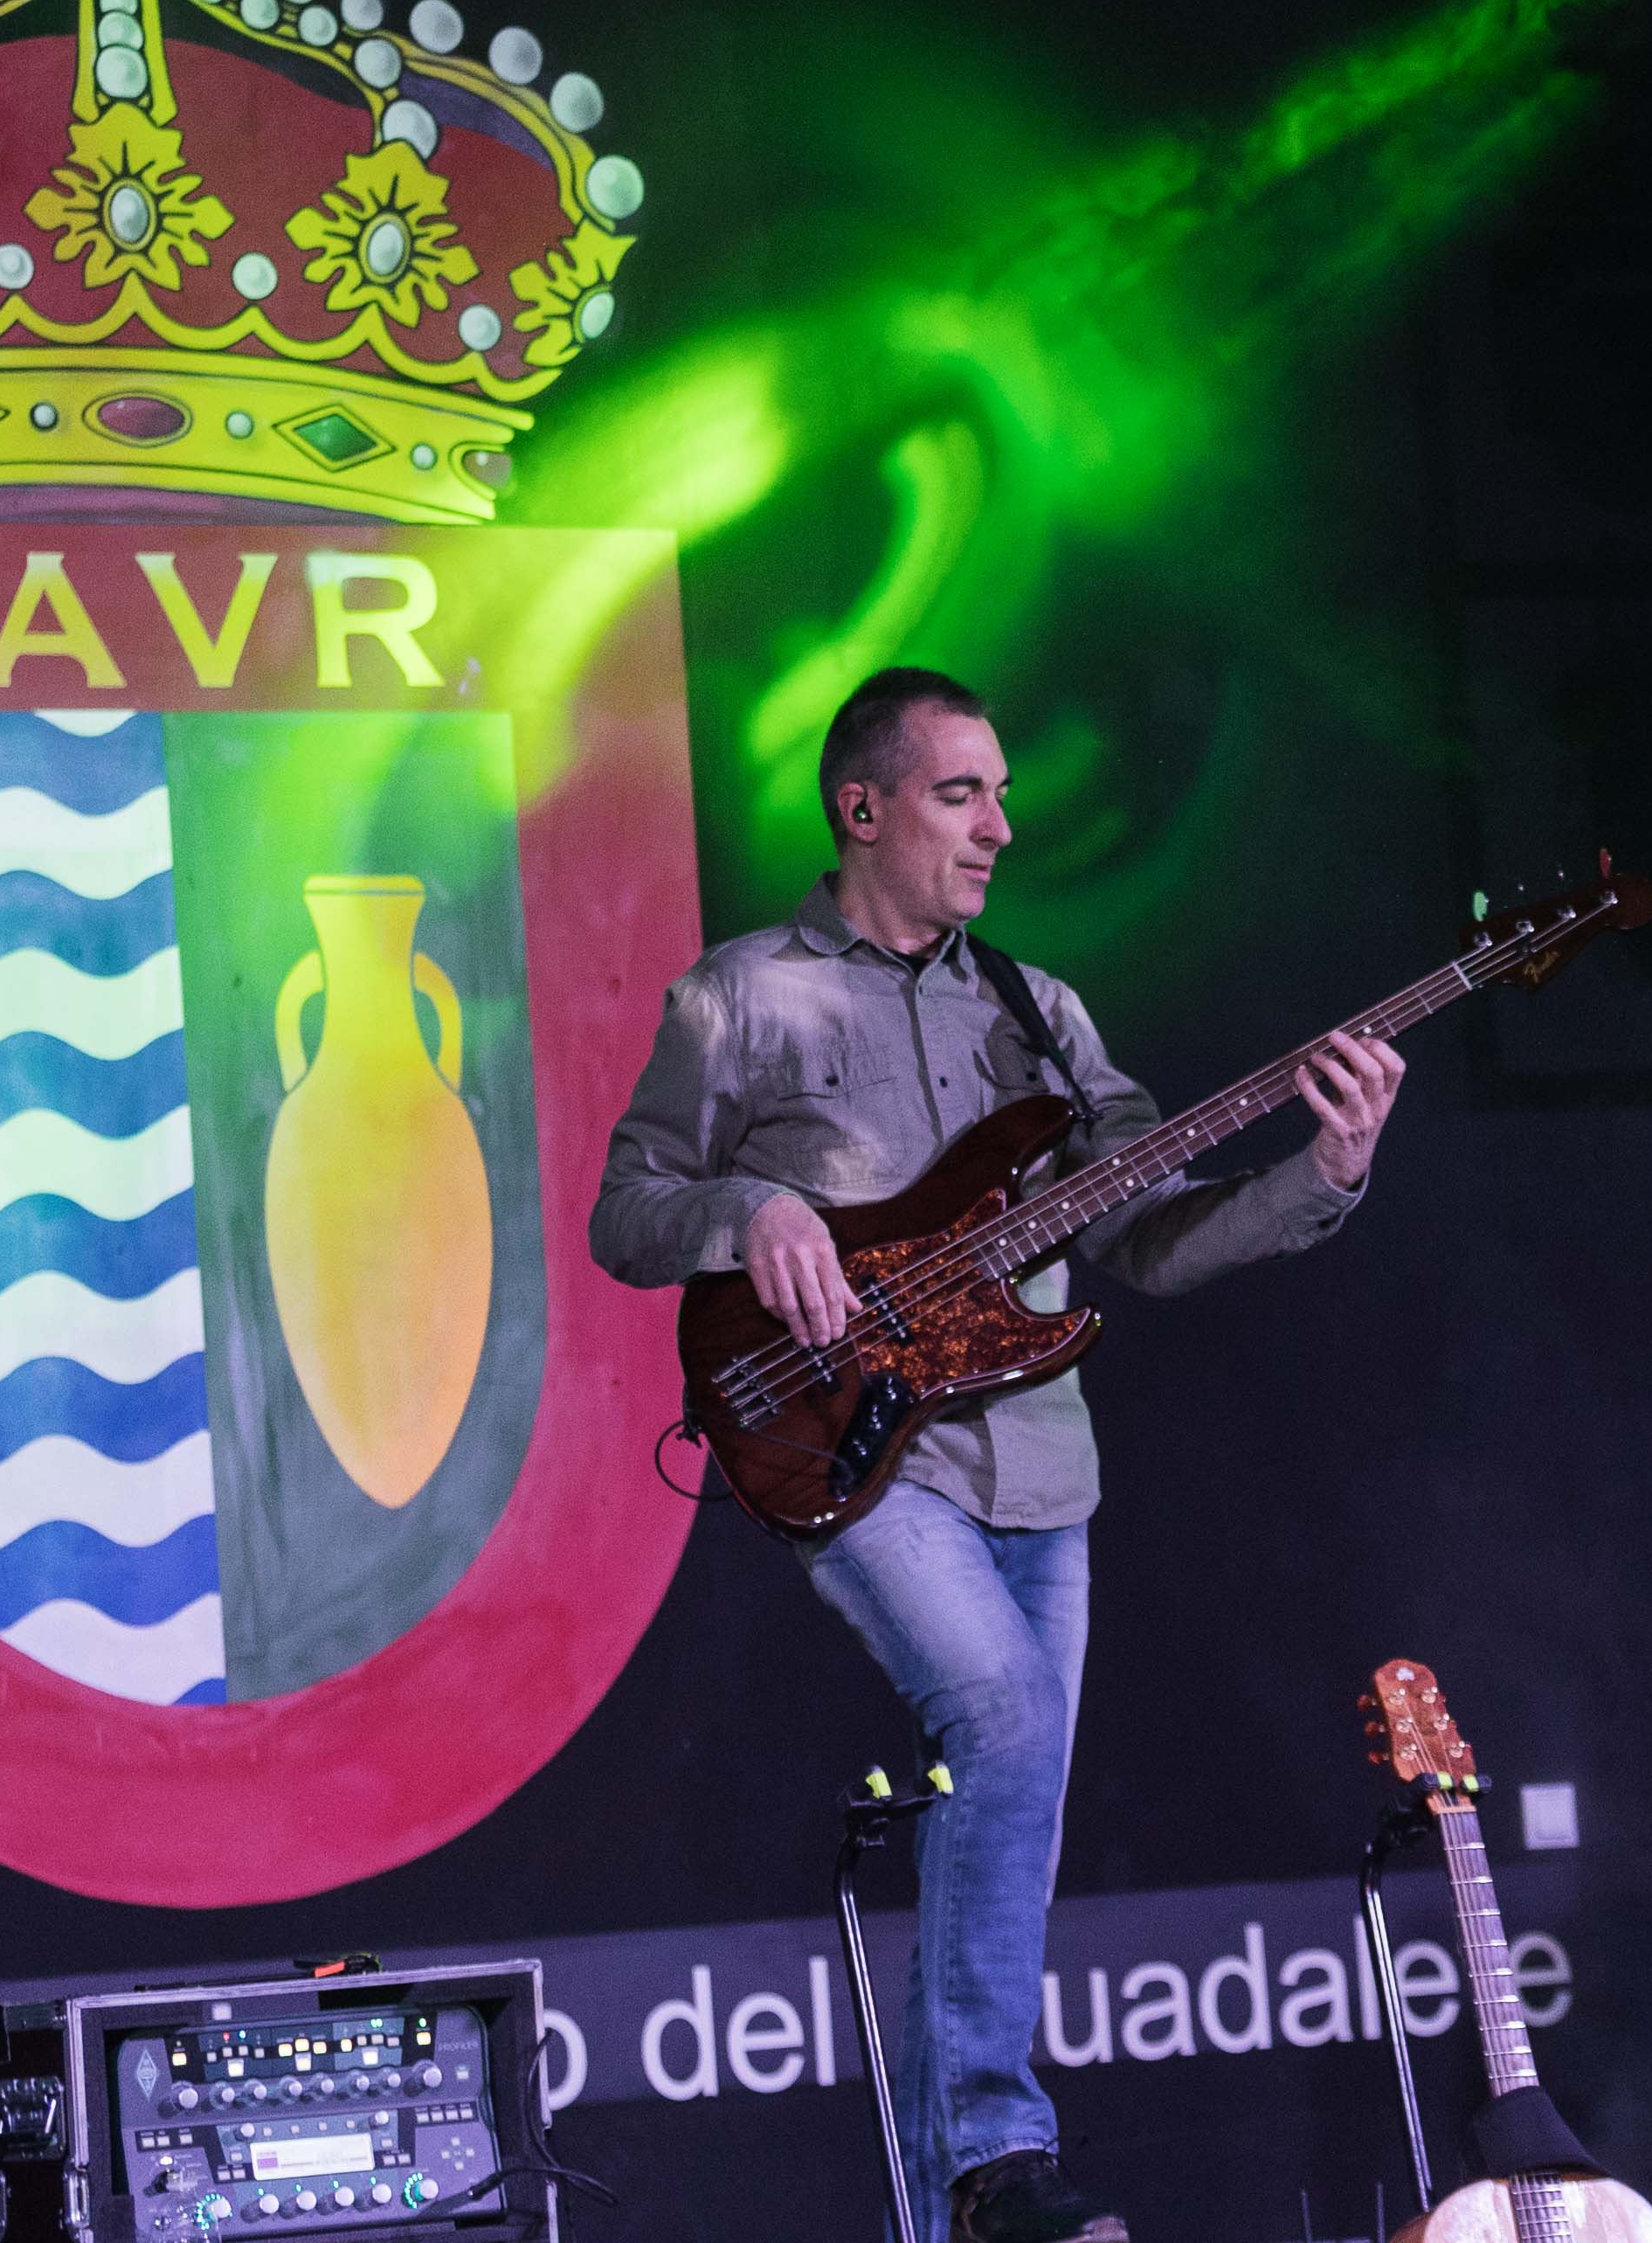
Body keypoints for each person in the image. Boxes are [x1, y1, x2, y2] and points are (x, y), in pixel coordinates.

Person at [592, 666, 1405, 2243]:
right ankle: (997, 2152)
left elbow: (1151, 1239)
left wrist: (1326, 1170)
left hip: (1041, 1464)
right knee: (1005, 1714)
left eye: (1004, 795)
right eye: (963, 793)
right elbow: (628, 1212)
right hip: (845, 1444)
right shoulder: (740, 997)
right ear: (863, 807)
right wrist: (749, 1212)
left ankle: (969, 2188)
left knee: (1014, 1782)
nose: (1001, 828)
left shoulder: (1042, 1015)